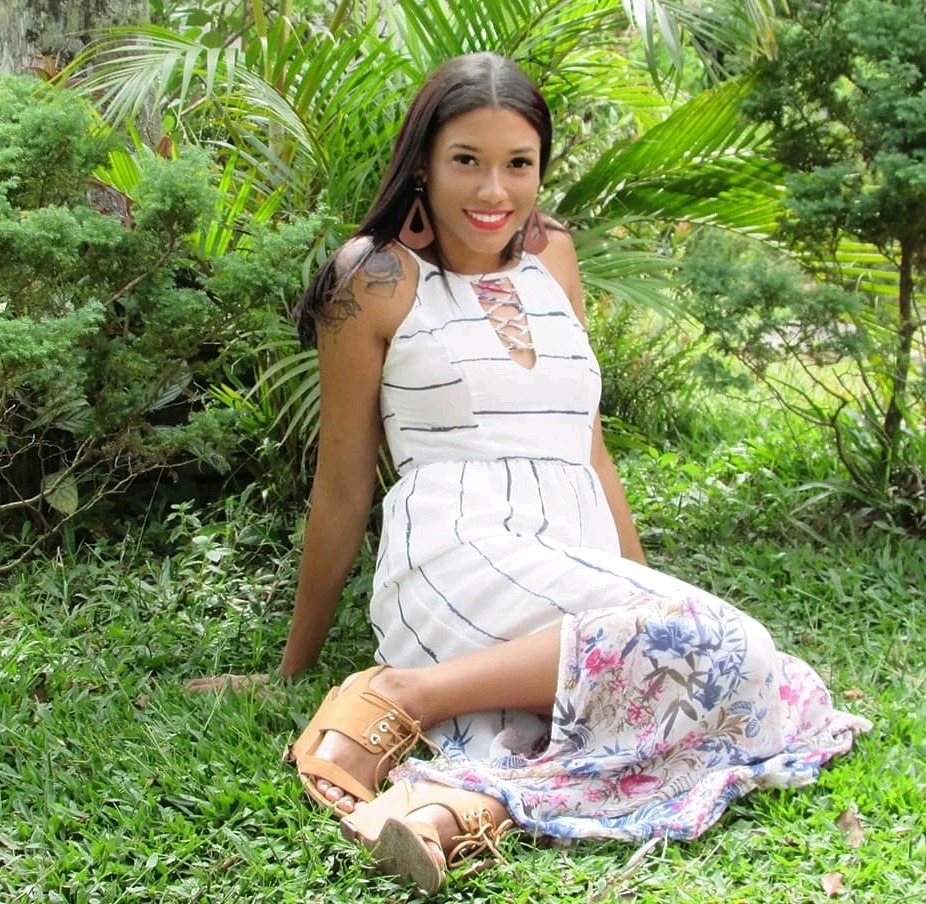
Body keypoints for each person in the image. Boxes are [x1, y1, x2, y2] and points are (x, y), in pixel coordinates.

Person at [279, 52, 870, 893]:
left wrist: (646, 589)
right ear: (423, 164)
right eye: (466, 161)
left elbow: (589, 446)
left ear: (541, 167)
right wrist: (292, 664)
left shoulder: (552, 253)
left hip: (571, 540)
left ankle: (446, 809)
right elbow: (342, 486)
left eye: (518, 164)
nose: (494, 191)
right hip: (458, 546)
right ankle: (400, 693)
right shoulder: (374, 277)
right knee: (732, 649)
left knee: (658, 690)